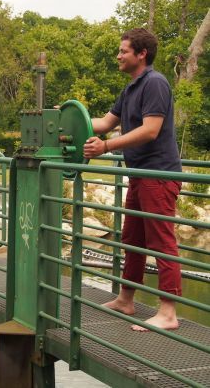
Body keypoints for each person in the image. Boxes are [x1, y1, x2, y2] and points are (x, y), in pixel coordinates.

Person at [83, 28, 182, 332]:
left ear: (141, 54)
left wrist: (107, 146)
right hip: (140, 174)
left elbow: (150, 130)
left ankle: (168, 312)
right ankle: (126, 299)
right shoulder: (130, 89)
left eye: (123, 50)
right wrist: (69, 122)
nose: (118, 55)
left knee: (161, 241)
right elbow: (104, 123)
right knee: (133, 240)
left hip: (159, 174)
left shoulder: (155, 83)